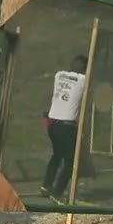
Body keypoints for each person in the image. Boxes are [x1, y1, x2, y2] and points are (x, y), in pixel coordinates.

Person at [41, 54, 88, 201]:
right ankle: (57, 192)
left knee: (57, 155)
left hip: (51, 124)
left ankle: (46, 185)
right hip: (66, 125)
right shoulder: (82, 80)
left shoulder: (59, 75)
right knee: (70, 160)